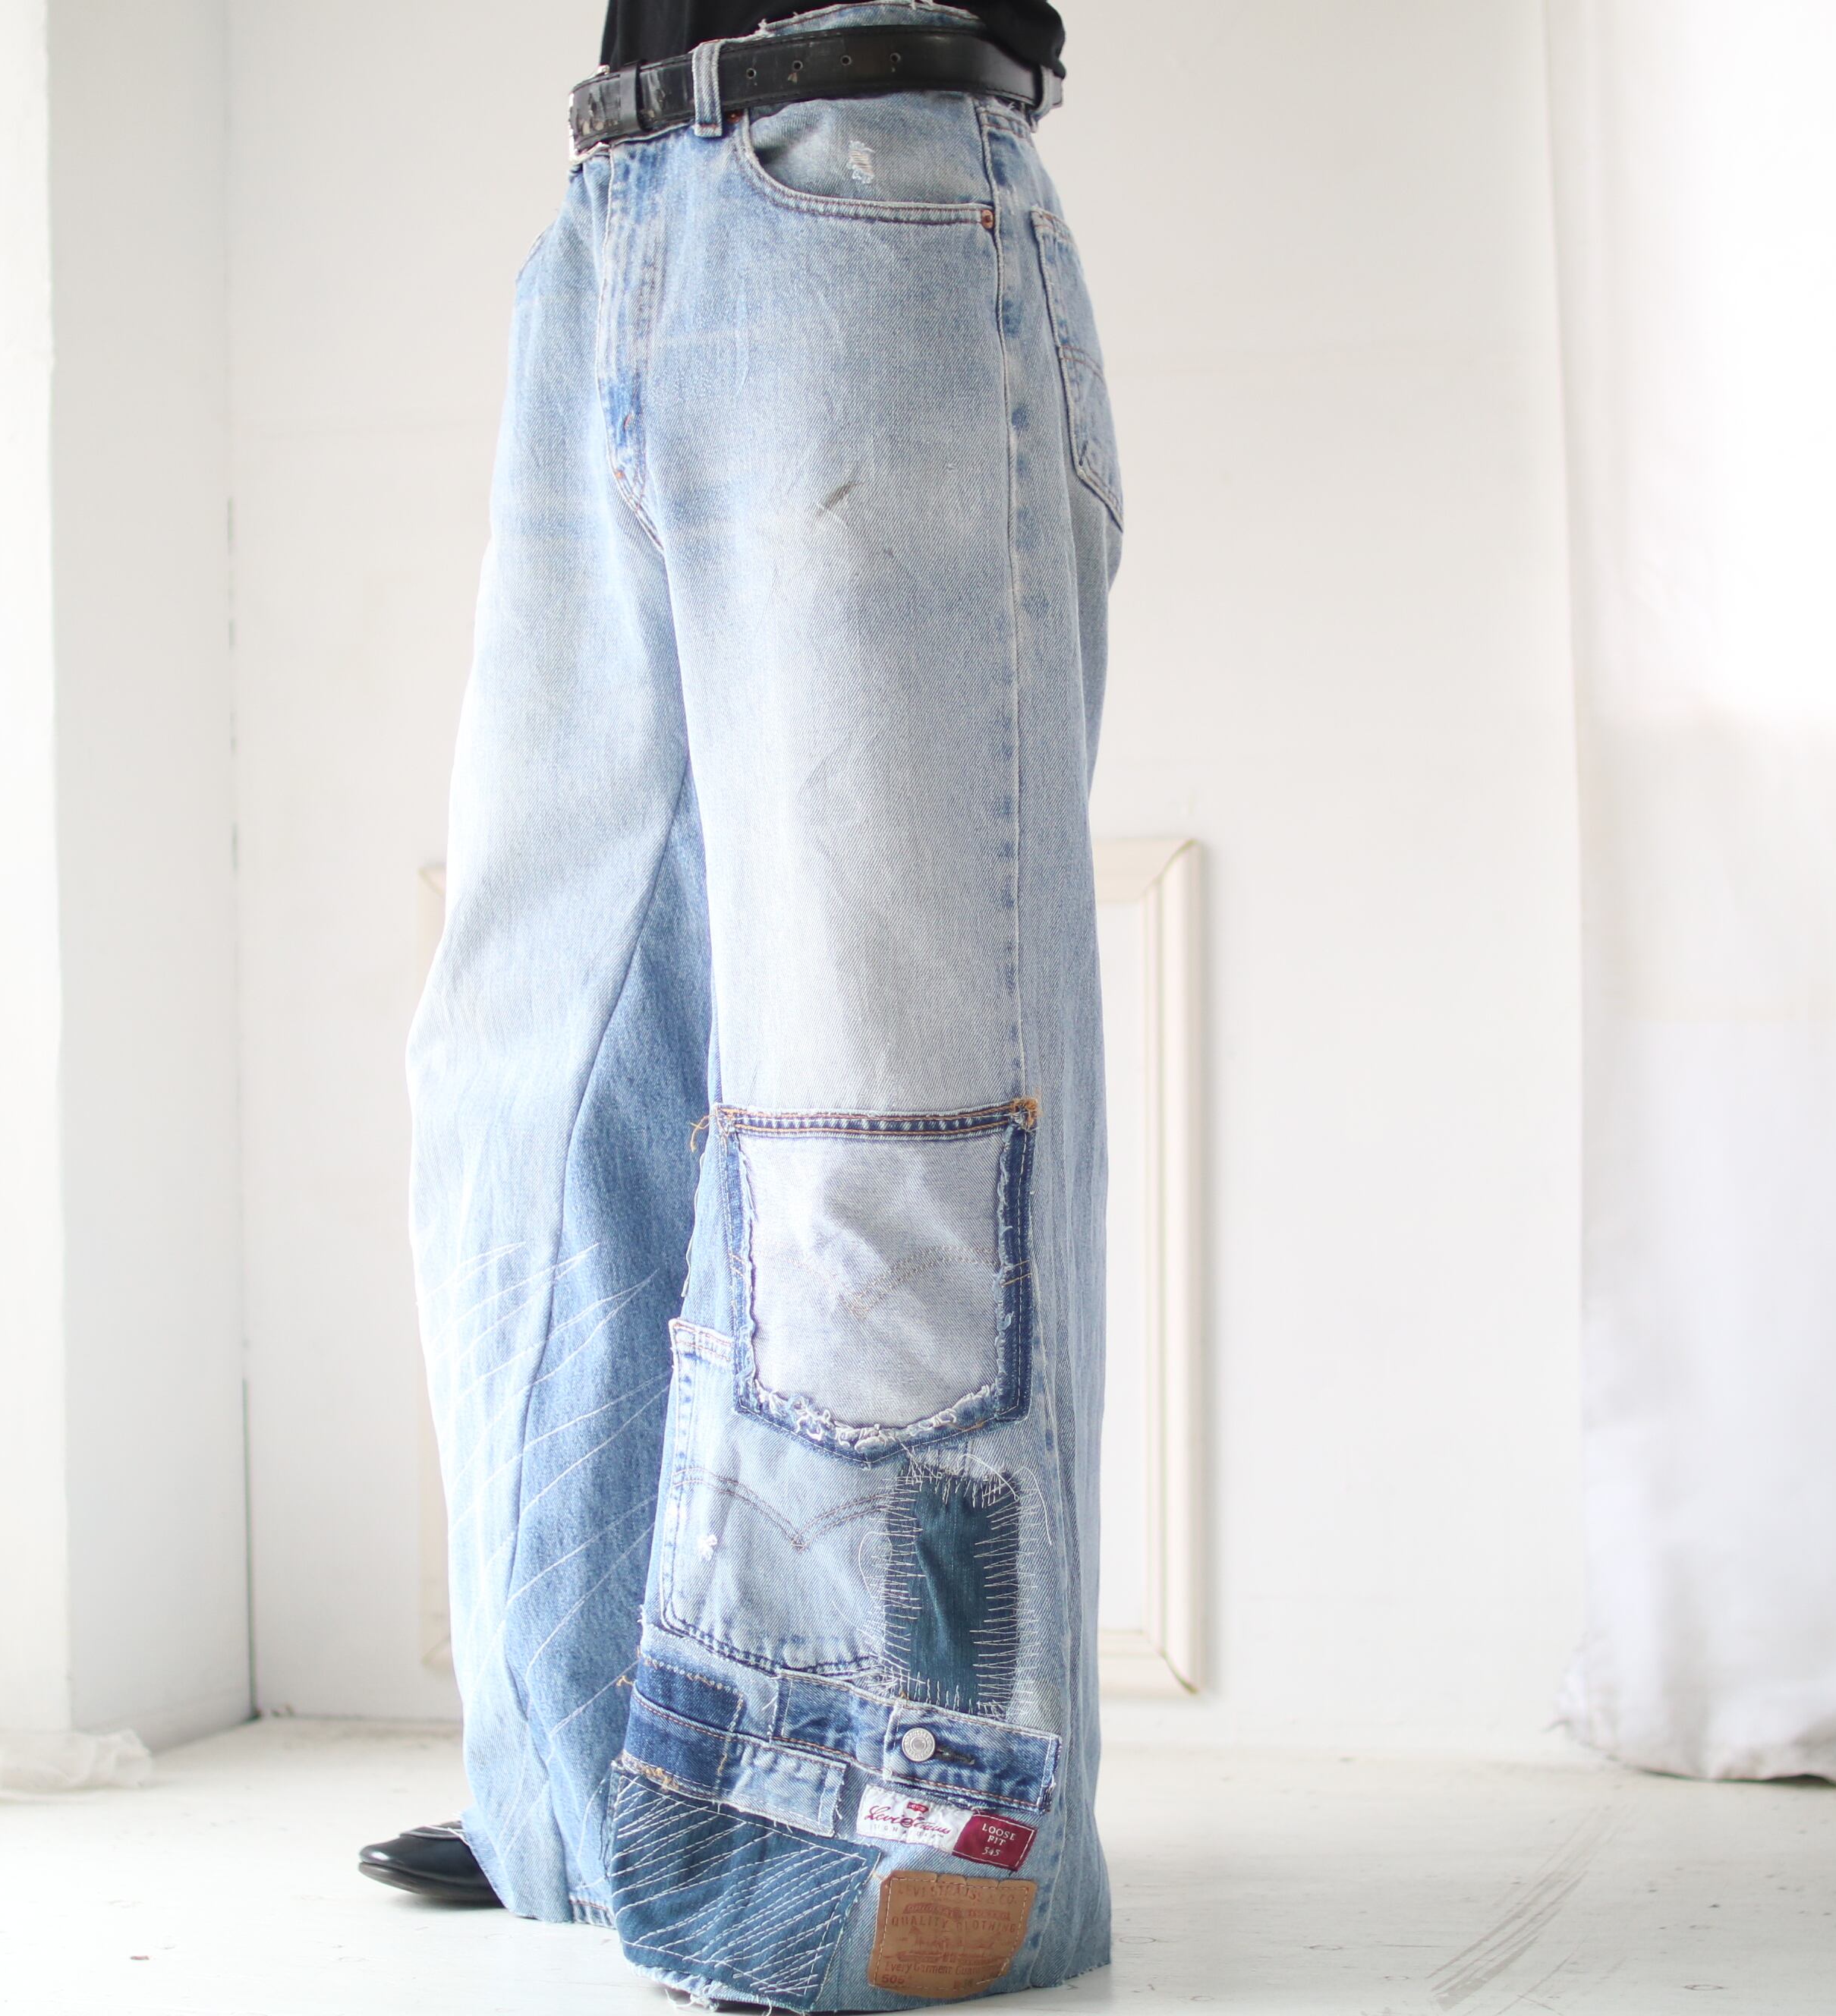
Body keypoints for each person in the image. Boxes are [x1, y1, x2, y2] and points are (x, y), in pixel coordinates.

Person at [364, 2, 1120, 2004]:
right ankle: (583, 1787)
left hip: (869, 184)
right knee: (538, 1066)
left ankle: (886, 1850)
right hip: (618, 207)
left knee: (883, 1100)